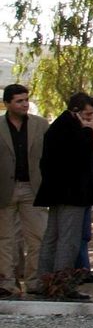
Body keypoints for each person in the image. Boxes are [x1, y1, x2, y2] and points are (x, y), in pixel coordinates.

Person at [32, 92, 93, 298]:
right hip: (72, 193)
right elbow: (80, 157)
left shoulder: (59, 127)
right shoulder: (71, 129)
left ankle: (45, 282)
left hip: (59, 192)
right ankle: (61, 285)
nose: (92, 118)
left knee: (52, 238)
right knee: (67, 240)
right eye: (89, 114)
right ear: (77, 112)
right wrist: (89, 133)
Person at [0, 84, 48, 297]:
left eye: (26, 99)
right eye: (19, 101)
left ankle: (34, 281)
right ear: (7, 103)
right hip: (4, 190)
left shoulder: (41, 125)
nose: (25, 104)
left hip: (33, 188)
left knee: (38, 237)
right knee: (5, 240)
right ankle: (7, 283)